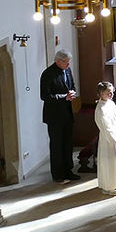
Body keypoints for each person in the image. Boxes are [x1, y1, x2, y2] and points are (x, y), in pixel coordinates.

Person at [40, 49, 80, 184]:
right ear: (58, 61)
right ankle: (58, 175)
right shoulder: (48, 74)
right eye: (66, 63)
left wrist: (72, 93)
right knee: (57, 145)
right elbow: (44, 96)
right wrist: (64, 97)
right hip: (54, 116)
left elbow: (72, 85)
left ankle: (69, 171)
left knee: (68, 144)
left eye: (69, 63)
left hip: (67, 113)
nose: (69, 65)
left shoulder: (67, 71)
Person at [94, 81, 116, 195]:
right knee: (109, 161)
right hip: (109, 139)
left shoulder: (111, 103)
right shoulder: (100, 109)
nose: (111, 95)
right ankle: (108, 187)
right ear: (101, 93)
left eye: (112, 92)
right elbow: (105, 126)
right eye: (108, 92)